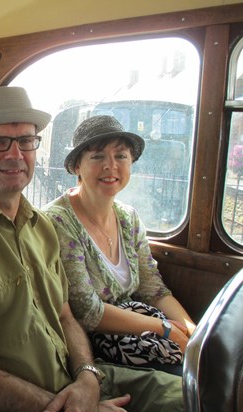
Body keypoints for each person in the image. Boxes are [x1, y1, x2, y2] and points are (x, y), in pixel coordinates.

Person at [0, 86, 184, 412]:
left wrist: (87, 377)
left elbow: (65, 316)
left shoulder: (41, 226)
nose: (15, 154)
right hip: (6, 404)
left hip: (67, 383)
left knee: (193, 393)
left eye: (26, 141)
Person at [42, 115, 196, 374]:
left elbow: (154, 290)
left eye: (121, 156)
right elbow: (87, 311)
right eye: (98, 157)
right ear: (77, 166)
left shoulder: (128, 218)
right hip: (91, 351)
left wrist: (192, 333)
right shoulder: (58, 222)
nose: (110, 166)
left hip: (139, 336)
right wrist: (166, 329)